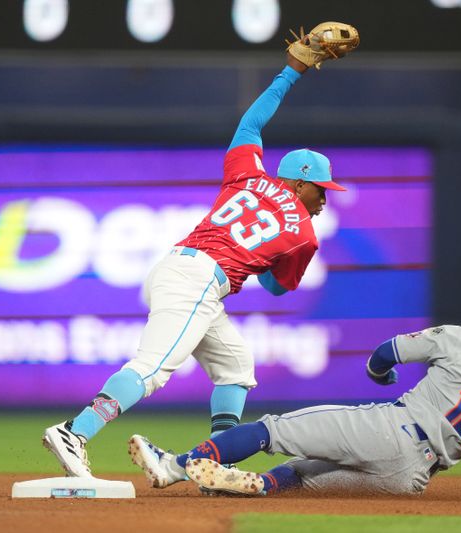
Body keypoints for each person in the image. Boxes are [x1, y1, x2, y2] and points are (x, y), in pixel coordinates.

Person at [42, 40, 351, 479]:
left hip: (174, 265)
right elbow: (278, 287)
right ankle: (75, 430)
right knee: (151, 369)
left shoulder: (247, 174)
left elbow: (252, 122)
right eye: (322, 189)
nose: (325, 199)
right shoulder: (302, 233)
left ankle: (210, 460)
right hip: (201, 281)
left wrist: (291, 71)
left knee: (236, 367)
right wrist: (261, 259)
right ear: (300, 184)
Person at [132, 289, 461, 500]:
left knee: (271, 430)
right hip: (412, 476)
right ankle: (251, 485)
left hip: (392, 428)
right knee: (296, 477)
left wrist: (377, 374)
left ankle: (172, 467)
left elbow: (384, 353)